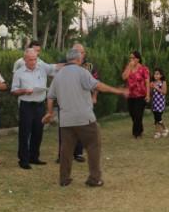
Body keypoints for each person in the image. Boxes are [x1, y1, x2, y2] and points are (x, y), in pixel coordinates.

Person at [42, 48, 128, 187]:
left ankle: (64, 179)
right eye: (81, 56)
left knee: (66, 150)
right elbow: (98, 85)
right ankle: (94, 179)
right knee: (94, 145)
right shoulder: (82, 72)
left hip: (66, 120)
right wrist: (118, 91)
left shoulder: (58, 75)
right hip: (84, 118)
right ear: (77, 59)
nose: (83, 57)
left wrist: (50, 113)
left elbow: (50, 97)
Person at [11, 48, 58, 169]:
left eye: (35, 59)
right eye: (31, 60)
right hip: (26, 105)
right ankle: (23, 160)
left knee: (38, 131)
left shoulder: (42, 69)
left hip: (39, 104)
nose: (33, 62)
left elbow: (55, 69)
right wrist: (23, 91)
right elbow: (14, 90)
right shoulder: (19, 72)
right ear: (25, 59)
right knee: (25, 132)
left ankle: (34, 157)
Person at [56, 43, 94, 164]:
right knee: (64, 129)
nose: (80, 54)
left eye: (82, 52)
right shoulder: (63, 63)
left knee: (80, 128)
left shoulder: (88, 65)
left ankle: (78, 153)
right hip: (66, 101)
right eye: (78, 52)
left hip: (82, 102)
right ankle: (62, 155)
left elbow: (95, 82)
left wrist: (94, 96)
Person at [122, 51, 150, 139]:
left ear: (138, 59)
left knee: (138, 114)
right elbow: (124, 77)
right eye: (130, 58)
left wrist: (148, 95)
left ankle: (136, 133)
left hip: (141, 95)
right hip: (131, 95)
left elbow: (147, 82)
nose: (131, 59)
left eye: (133, 58)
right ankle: (140, 129)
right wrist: (129, 67)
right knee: (133, 114)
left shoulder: (144, 69)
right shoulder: (128, 67)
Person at [150, 68, 168, 139]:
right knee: (156, 118)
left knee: (158, 117)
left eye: (157, 74)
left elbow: (164, 92)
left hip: (160, 103)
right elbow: (151, 93)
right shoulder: (153, 82)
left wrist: (156, 87)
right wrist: (151, 87)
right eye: (155, 74)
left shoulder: (163, 82)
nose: (155, 75)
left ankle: (165, 129)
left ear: (161, 75)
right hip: (154, 102)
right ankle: (157, 132)